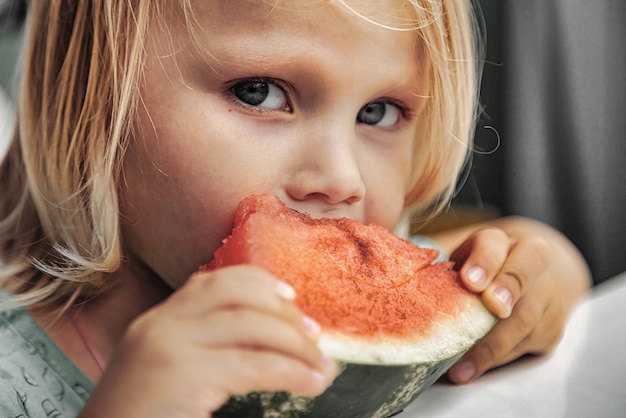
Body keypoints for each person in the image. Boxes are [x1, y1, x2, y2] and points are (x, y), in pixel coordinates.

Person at [0, 1, 590, 417]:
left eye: (378, 112)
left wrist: (540, 273)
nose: (341, 179)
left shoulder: (379, 269)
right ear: (88, 99)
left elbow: (532, 269)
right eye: (260, 92)